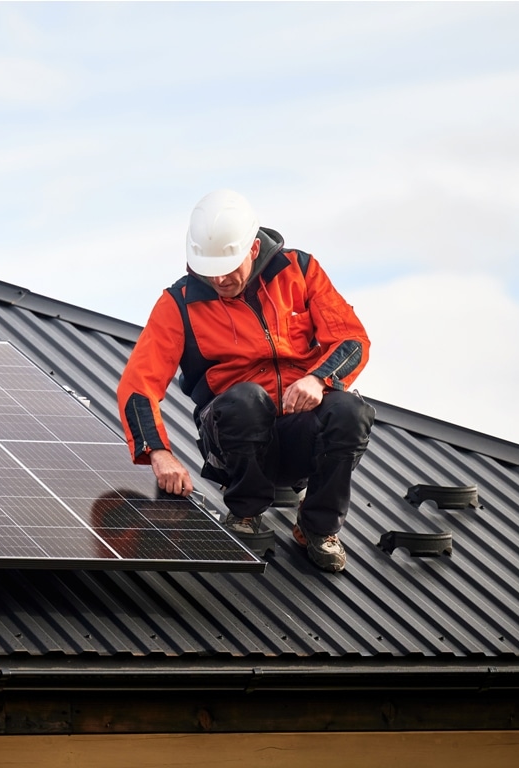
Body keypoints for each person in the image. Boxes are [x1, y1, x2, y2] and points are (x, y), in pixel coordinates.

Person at [117, 189, 374, 572]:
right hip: (233, 439)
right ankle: (245, 512)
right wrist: (159, 453)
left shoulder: (298, 271)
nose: (219, 278)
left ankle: (317, 528)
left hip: (298, 432)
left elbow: (352, 338)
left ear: (254, 249)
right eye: (210, 268)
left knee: (350, 410)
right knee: (246, 400)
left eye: (228, 266)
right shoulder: (179, 303)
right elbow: (139, 384)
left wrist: (319, 379)